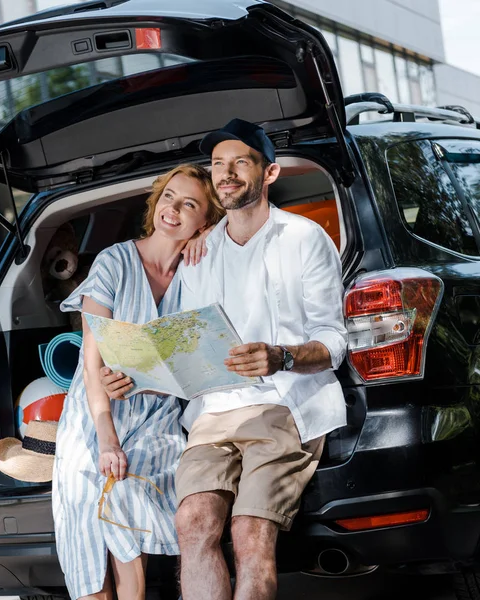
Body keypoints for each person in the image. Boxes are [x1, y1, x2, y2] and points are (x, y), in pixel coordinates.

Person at [102, 118, 347, 600]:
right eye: (217, 165)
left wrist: (282, 356)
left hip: (284, 408)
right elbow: (184, 349)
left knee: (250, 534)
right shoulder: (200, 252)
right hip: (211, 414)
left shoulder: (304, 238)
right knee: (192, 525)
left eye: (240, 162)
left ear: (269, 174)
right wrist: (137, 375)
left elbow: (334, 340)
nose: (226, 173)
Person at [52, 163, 224, 600]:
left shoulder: (199, 274)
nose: (174, 209)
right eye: (169, 196)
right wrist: (107, 438)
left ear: (204, 220)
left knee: (128, 495)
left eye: (190, 204)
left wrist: (213, 240)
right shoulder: (114, 261)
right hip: (94, 412)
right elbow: (92, 365)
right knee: (83, 520)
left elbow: (201, 361)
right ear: (156, 201)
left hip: (159, 418)